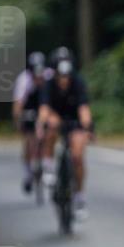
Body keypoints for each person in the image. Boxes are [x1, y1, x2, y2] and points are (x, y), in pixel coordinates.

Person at [37, 47, 94, 219]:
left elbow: (84, 109)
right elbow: (44, 108)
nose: (64, 80)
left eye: (66, 76)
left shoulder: (78, 82)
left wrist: (87, 127)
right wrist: (43, 123)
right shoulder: (48, 84)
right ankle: (48, 167)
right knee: (51, 128)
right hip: (56, 119)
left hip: (74, 120)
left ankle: (79, 197)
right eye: (60, 76)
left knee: (77, 155)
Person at [12, 51, 49, 194]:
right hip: (28, 109)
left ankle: (46, 164)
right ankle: (28, 173)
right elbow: (18, 103)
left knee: (47, 135)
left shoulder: (49, 76)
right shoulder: (24, 80)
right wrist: (18, 119)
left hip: (44, 107)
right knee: (28, 142)